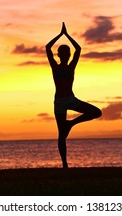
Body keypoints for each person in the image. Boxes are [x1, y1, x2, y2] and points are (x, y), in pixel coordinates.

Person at [46, 22, 102, 168]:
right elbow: (47, 48)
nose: (65, 56)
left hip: (71, 100)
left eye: (67, 54)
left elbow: (78, 49)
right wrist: (60, 35)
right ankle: (64, 163)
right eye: (63, 54)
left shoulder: (72, 65)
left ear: (69, 55)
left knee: (96, 112)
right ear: (59, 55)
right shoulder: (55, 66)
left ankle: (71, 123)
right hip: (59, 102)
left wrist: (67, 35)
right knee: (61, 135)